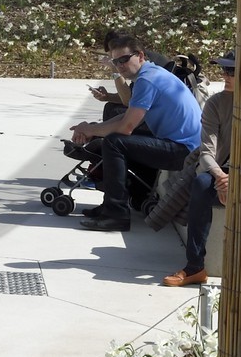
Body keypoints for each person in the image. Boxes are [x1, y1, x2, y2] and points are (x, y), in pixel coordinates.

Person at [72, 32, 202, 233]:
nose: (120, 66)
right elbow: (127, 116)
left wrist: (90, 130)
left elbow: (126, 127)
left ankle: (116, 214)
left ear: (140, 56)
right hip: (180, 145)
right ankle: (118, 204)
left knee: (114, 142)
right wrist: (92, 129)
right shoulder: (151, 74)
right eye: (115, 62)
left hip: (185, 151)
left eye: (124, 59)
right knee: (113, 140)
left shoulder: (147, 80)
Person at [163, 51, 235, 288]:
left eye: (232, 71)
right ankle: (195, 266)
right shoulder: (217, 103)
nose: (225, 75)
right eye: (224, 70)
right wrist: (221, 177)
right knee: (202, 184)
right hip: (222, 171)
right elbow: (206, 152)